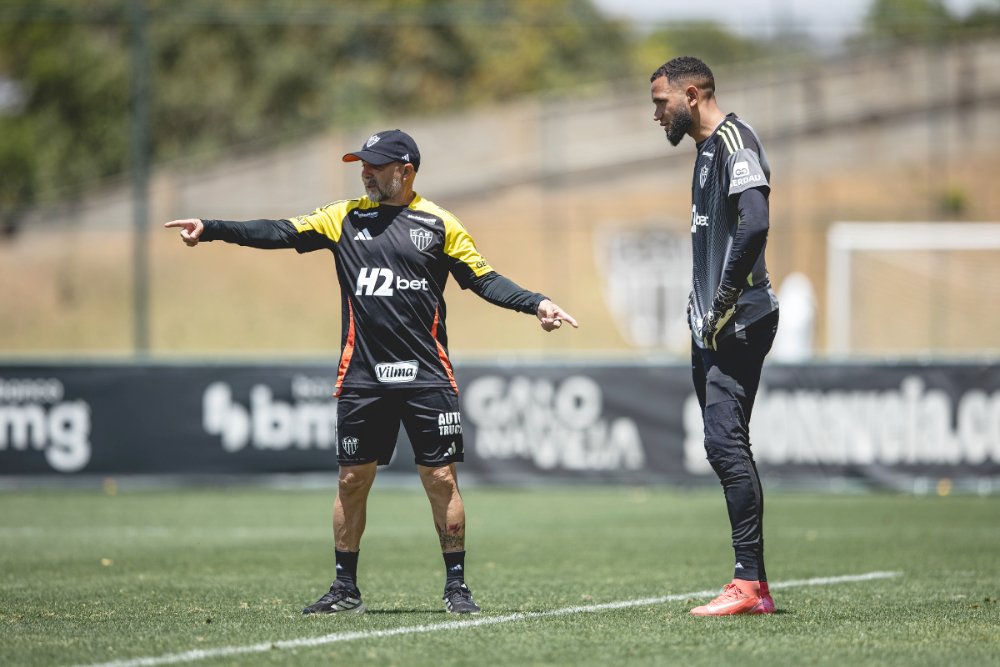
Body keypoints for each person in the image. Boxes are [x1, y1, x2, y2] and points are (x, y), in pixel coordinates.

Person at [165, 129, 577, 616]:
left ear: (406, 171)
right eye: (362, 163)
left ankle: (457, 588)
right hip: (363, 377)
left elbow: (483, 279)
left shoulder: (440, 223)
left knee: (441, 478)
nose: (365, 171)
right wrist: (211, 227)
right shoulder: (342, 218)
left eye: (376, 165)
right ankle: (345, 589)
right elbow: (280, 231)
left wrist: (537, 303)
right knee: (350, 481)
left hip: (427, 376)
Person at [649, 58, 779, 616]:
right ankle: (756, 586)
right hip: (712, 326)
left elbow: (755, 221)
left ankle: (748, 585)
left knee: (724, 443)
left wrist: (722, 300)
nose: (656, 114)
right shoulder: (704, 153)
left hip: (740, 320)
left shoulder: (734, 141)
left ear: (692, 95)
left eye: (661, 102)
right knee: (725, 444)